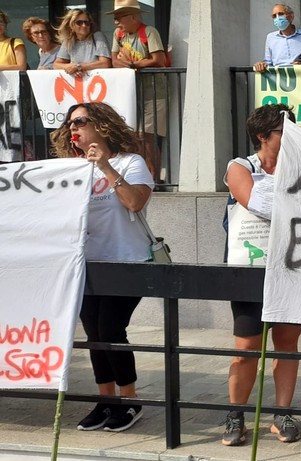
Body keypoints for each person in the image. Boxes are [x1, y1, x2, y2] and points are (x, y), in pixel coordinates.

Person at [50, 102, 154, 432]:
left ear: (101, 125)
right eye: (69, 123)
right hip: (86, 264)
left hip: (126, 261)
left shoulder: (130, 162)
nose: (73, 127)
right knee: (94, 334)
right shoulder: (73, 168)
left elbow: (135, 202)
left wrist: (106, 166)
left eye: (80, 121)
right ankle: (106, 400)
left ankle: (129, 399)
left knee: (110, 329)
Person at [221, 104, 301, 446]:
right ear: (262, 136)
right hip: (249, 270)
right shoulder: (240, 166)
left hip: (290, 267)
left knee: (286, 344)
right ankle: (236, 414)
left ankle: (282, 414)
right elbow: (257, 203)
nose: (293, 138)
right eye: (285, 132)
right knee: (246, 348)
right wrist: (296, 200)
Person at [109, 0, 169, 185]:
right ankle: (139, 177)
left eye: (119, 17)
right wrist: (131, 64)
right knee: (132, 136)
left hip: (154, 91)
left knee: (148, 136)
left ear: (133, 17)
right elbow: (114, 61)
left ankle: (153, 180)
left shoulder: (149, 32)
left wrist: (132, 64)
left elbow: (159, 60)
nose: (116, 22)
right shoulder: (118, 34)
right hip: (130, 92)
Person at [253, 3, 301, 72]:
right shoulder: (271, 38)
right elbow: (268, 63)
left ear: (291, 16)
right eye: (274, 16)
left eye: (281, 14)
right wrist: (261, 65)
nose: (277, 18)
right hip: (281, 79)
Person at [54, 9, 112, 78]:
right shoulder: (69, 40)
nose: (84, 25)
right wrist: (70, 67)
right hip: (78, 82)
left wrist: (79, 66)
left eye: (87, 23)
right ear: (71, 25)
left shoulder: (97, 36)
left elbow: (105, 63)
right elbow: (56, 64)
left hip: (98, 80)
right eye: (79, 22)